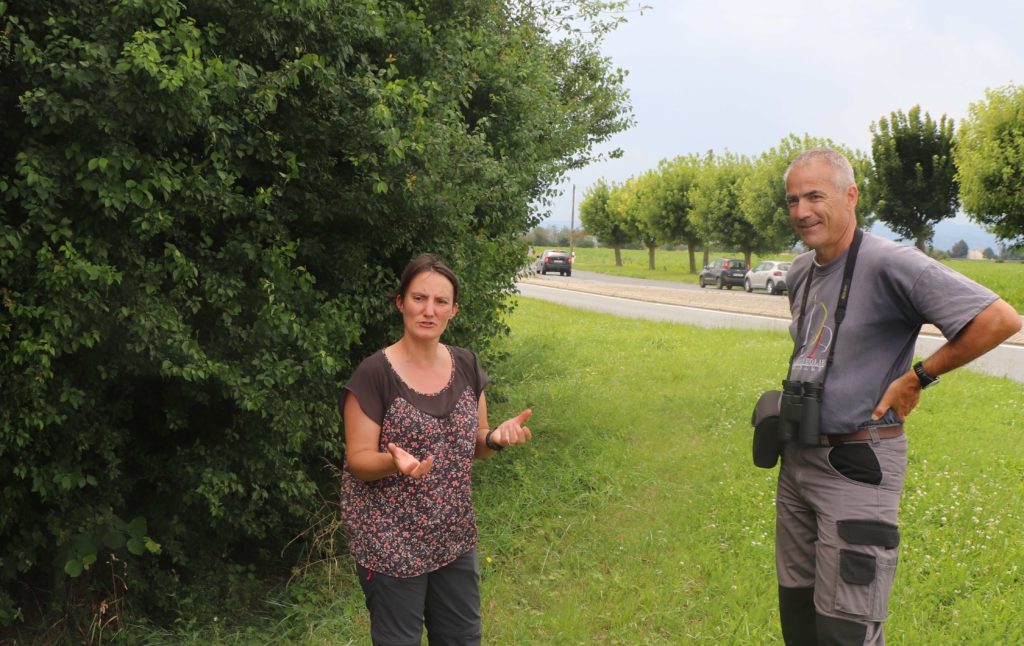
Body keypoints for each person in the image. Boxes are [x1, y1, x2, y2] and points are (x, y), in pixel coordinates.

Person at [773, 148, 1020, 645]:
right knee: (799, 620)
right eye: (793, 199)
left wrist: (918, 377)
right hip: (797, 460)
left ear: (850, 196)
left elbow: (999, 320)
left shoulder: (890, 262)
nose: (802, 211)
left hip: (857, 461)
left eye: (815, 196)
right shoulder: (801, 271)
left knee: (848, 627)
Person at [340, 253, 532, 646]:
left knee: (461, 639)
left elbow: (475, 441)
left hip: (453, 536)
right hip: (390, 542)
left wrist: (496, 438)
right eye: (418, 298)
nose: (429, 310)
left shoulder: (466, 365)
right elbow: (359, 461)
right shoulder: (374, 373)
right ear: (400, 302)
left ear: (454, 310)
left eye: (440, 302)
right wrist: (395, 462)